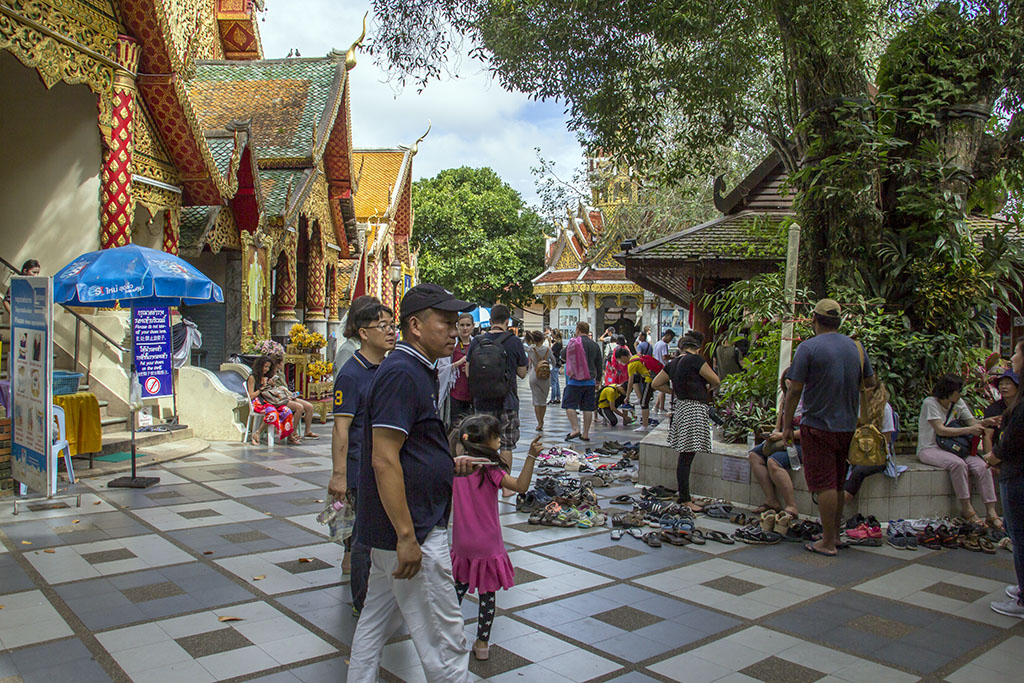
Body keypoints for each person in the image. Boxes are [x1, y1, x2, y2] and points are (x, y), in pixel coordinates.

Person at [347, 283, 479, 683]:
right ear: (416, 325)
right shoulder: (403, 372)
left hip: (402, 524)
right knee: (444, 640)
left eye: (457, 323)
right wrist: (407, 535)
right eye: (446, 322)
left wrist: (442, 462)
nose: (454, 331)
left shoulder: (416, 368)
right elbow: (384, 458)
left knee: (374, 622)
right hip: (414, 528)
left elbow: (406, 450)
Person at [781, 299, 878, 557]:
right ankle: (835, 535)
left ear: (814, 319)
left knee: (824, 484)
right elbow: (871, 381)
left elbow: (794, 390)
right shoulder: (856, 347)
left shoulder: (808, 348)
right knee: (837, 482)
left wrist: (787, 424)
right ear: (839, 321)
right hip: (848, 426)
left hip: (818, 425)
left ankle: (826, 542)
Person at [450, 416, 541, 660]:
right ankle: (482, 644)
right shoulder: (492, 471)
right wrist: (531, 455)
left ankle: (446, 635)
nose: (500, 440)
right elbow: (521, 486)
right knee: (487, 596)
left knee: (455, 592)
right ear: (484, 442)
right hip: (487, 543)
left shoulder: (455, 468)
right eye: (496, 436)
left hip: (461, 542)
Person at [329, 297, 395, 616]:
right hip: (359, 467)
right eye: (382, 326)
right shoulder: (351, 374)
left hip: (386, 465)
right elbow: (341, 429)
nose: (390, 332)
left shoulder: (388, 368)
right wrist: (339, 475)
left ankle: (383, 593)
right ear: (363, 333)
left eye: (391, 325)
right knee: (361, 537)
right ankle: (362, 600)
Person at [917, 373, 1001, 526]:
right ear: (949, 391)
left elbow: (972, 422)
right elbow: (940, 430)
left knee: (982, 466)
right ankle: (966, 508)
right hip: (930, 448)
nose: (960, 394)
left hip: (955, 448)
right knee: (958, 464)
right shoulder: (930, 403)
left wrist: (986, 422)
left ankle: (991, 511)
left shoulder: (958, 402)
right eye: (958, 391)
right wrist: (969, 430)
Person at [653, 330, 719, 512]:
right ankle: (685, 498)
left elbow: (656, 384)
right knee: (687, 456)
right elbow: (716, 380)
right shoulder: (696, 360)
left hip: (681, 408)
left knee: (685, 454)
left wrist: (674, 392)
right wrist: (707, 388)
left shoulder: (673, 363)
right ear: (697, 348)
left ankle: (686, 495)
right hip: (695, 409)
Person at [986, 338, 1024, 618]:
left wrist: (993, 457)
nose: (1013, 357)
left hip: (1016, 474)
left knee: (1019, 536)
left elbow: (1011, 441)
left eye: (1018, 352)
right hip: (1014, 472)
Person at [467, 304, 528, 469]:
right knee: (506, 443)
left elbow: (468, 372)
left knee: (483, 441)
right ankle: (506, 483)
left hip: (482, 399)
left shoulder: (477, 341)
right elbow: (522, 373)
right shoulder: (514, 342)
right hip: (507, 401)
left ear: (490, 320)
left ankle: (483, 481)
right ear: (507, 321)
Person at [749, 368, 804, 517]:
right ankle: (771, 500)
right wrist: (774, 434)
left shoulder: (809, 402)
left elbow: (808, 431)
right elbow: (778, 426)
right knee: (755, 455)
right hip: (784, 440)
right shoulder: (785, 400)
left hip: (802, 443)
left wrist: (781, 435)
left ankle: (791, 505)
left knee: (774, 462)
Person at [843, 382, 896, 506]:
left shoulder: (884, 408)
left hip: (877, 454)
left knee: (859, 470)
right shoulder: (853, 405)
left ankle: (839, 506)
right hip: (854, 451)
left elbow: (886, 439)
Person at [562, 321, 604, 441]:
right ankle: (585, 433)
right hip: (590, 381)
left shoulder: (573, 343)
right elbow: (599, 364)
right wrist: (598, 380)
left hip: (574, 381)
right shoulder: (594, 345)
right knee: (587, 408)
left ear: (578, 329)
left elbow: (562, 355)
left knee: (569, 404)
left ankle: (575, 429)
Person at [267, 353, 318, 441]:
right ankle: (293, 432)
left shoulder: (280, 374)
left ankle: (307, 431)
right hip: (279, 398)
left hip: (287, 395)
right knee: (299, 408)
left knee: (309, 407)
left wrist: (290, 394)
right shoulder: (270, 375)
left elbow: (285, 387)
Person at [246, 355, 296, 445]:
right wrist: (261, 388)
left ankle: (289, 436)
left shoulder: (266, 377)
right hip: (258, 402)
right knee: (273, 413)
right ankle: (257, 433)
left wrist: (271, 385)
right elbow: (251, 396)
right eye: (265, 367)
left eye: (268, 367)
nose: (267, 369)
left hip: (269, 401)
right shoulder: (252, 378)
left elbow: (269, 392)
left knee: (287, 411)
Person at [982, 369, 1019, 458]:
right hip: (999, 456)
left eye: (1008, 383)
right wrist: (990, 460)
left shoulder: (1020, 407)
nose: (1003, 387)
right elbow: (987, 436)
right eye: (1001, 384)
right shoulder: (993, 409)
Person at [625, 347, 663, 433]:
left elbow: (630, 382)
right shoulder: (636, 357)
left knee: (643, 403)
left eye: (620, 360)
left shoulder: (631, 364)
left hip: (649, 379)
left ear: (623, 357)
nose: (620, 362)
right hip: (656, 375)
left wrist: (627, 397)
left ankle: (644, 426)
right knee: (645, 401)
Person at [449, 312, 475, 427]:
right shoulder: (451, 344)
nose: (465, 328)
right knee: (455, 430)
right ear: (457, 326)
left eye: (468, 325)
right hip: (455, 394)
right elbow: (442, 368)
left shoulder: (477, 344)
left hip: (473, 394)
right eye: (462, 325)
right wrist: (459, 363)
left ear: (473, 326)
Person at [525, 330, 553, 431]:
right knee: (543, 400)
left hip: (534, 376)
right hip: (545, 377)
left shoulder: (530, 350)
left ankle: (539, 422)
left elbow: (522, 345)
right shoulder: (547, 350)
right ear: (543, 339)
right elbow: (554, 362)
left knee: (536, 400)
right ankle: (542, 420)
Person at [652, 330, 675, 414]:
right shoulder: (664, 345)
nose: (670, 340)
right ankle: (660, 407)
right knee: (663, 388)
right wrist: (673, 357)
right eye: (671, 338)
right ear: (668, 336)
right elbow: (664, 357)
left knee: (660, 387)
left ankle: (657, 406)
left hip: (656, 367)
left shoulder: (657, 343)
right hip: (663, 368)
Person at [548, 330, 563, 405]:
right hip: (557, 363)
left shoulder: (557, 344)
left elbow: (551, 351)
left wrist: (550, 343)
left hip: (554, 362)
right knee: (556, 381)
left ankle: (553, 398)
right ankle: (558, 397)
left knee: (553, 382)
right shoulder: (560, 343)